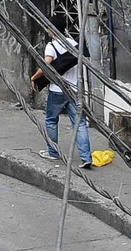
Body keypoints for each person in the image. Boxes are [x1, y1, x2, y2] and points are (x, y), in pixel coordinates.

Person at [32, 24, 93, 168]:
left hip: (57, 90)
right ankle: (86, 157)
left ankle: (53, 152)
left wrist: (34, 78)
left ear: (50, 30)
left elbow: (45, 66)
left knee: (51, 120)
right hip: (75, 89)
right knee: (79, 123)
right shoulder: (74, 44)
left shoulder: (51, 46)